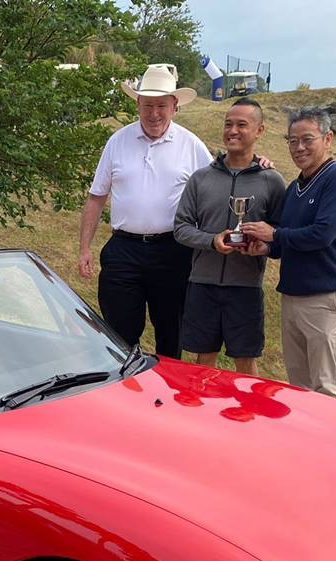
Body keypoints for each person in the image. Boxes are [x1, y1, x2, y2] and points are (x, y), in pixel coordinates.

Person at [76, 64, 211, 359]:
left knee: (171, 334)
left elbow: (219, 184)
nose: (154, 113)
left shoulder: (191, 145)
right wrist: (84, 248)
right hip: (124, 250)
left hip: (173, 251)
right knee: (119, 337)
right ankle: (125, 385)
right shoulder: (117, 141)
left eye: (161, 105)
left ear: (174, 106)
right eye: (148, 105)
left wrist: (256, 164)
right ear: (137, 104)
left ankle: (167, 386)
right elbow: (96, 197)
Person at [241, 106, 336, 398]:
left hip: (324, 296)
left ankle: (328, 432)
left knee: (324, 386)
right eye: (293, 141)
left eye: (307, 139)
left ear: (327, 139)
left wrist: (274, 234)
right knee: (299, 386)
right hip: (292, 294)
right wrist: (266, 247)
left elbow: (323, 234)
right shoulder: (294, 188)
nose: (299, 147)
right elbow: (286, 241)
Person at [173, 97, 285, 376]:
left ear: (259, 131)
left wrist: (263, 246)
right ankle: (204, 407)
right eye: (228, 124)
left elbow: (281, 234)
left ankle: (248, 408)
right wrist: (211, 241)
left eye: (242, 125)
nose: (233, 131)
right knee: (203, 362)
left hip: (245, 286)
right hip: (202, 284)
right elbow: (181, 228)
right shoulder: (200, 178)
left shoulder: (271, 180)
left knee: (246, 364)